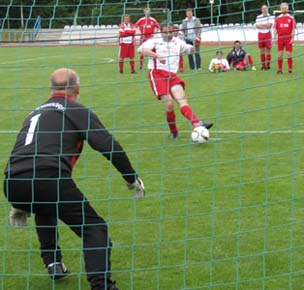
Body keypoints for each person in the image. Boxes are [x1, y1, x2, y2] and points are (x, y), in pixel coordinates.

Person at [3, 68, 145, 290]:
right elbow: (107, 145)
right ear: (77, 89)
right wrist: (130, 177)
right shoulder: (76, 110)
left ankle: (53, 263)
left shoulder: (34, 112)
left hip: (11, 180)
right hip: (48, 178)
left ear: (51, 90)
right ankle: (102, 286)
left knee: (45, 207)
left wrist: (20, 201)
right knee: (94, 227)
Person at [137, 22, 213, 139]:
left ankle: (197, 123)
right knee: (169, 104)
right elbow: (140, 50)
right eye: (166, 31)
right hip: (157, 74)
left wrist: (197, 45)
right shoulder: (154, 41)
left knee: (183, 102)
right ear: (161, 32)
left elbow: (191, 50)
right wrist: (156, 56)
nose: (169, 33)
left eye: (171, 31)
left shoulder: (178, 42)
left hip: (172, 76)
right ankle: (174, 131)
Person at [273, 2, 296, 74]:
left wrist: (292, 38)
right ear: (280, 9)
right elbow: (275, 28)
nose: (284, 9)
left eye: (285, 8)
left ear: (287, 8)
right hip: (280, 38)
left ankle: (290, 69)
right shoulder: (277, 18)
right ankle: (279, 69)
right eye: (282, 8)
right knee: (280, 54)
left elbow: (293, 29)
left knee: (289, 54)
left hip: (288, 38)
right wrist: (275, 38)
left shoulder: (291, 18)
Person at [255, 5, 275, 70]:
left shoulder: (271, 16)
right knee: (262, 50)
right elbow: (257, 25)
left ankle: (268, 66)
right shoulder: (258, 17)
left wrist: (262, 25)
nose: (264, 10)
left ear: (267, 9)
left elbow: (269, 25)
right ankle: (263, 65)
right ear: (261, 10)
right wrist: (265, 26)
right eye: (263, 9)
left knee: (268, 50)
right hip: (260, 34)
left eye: (265, 8)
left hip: (268, 34)